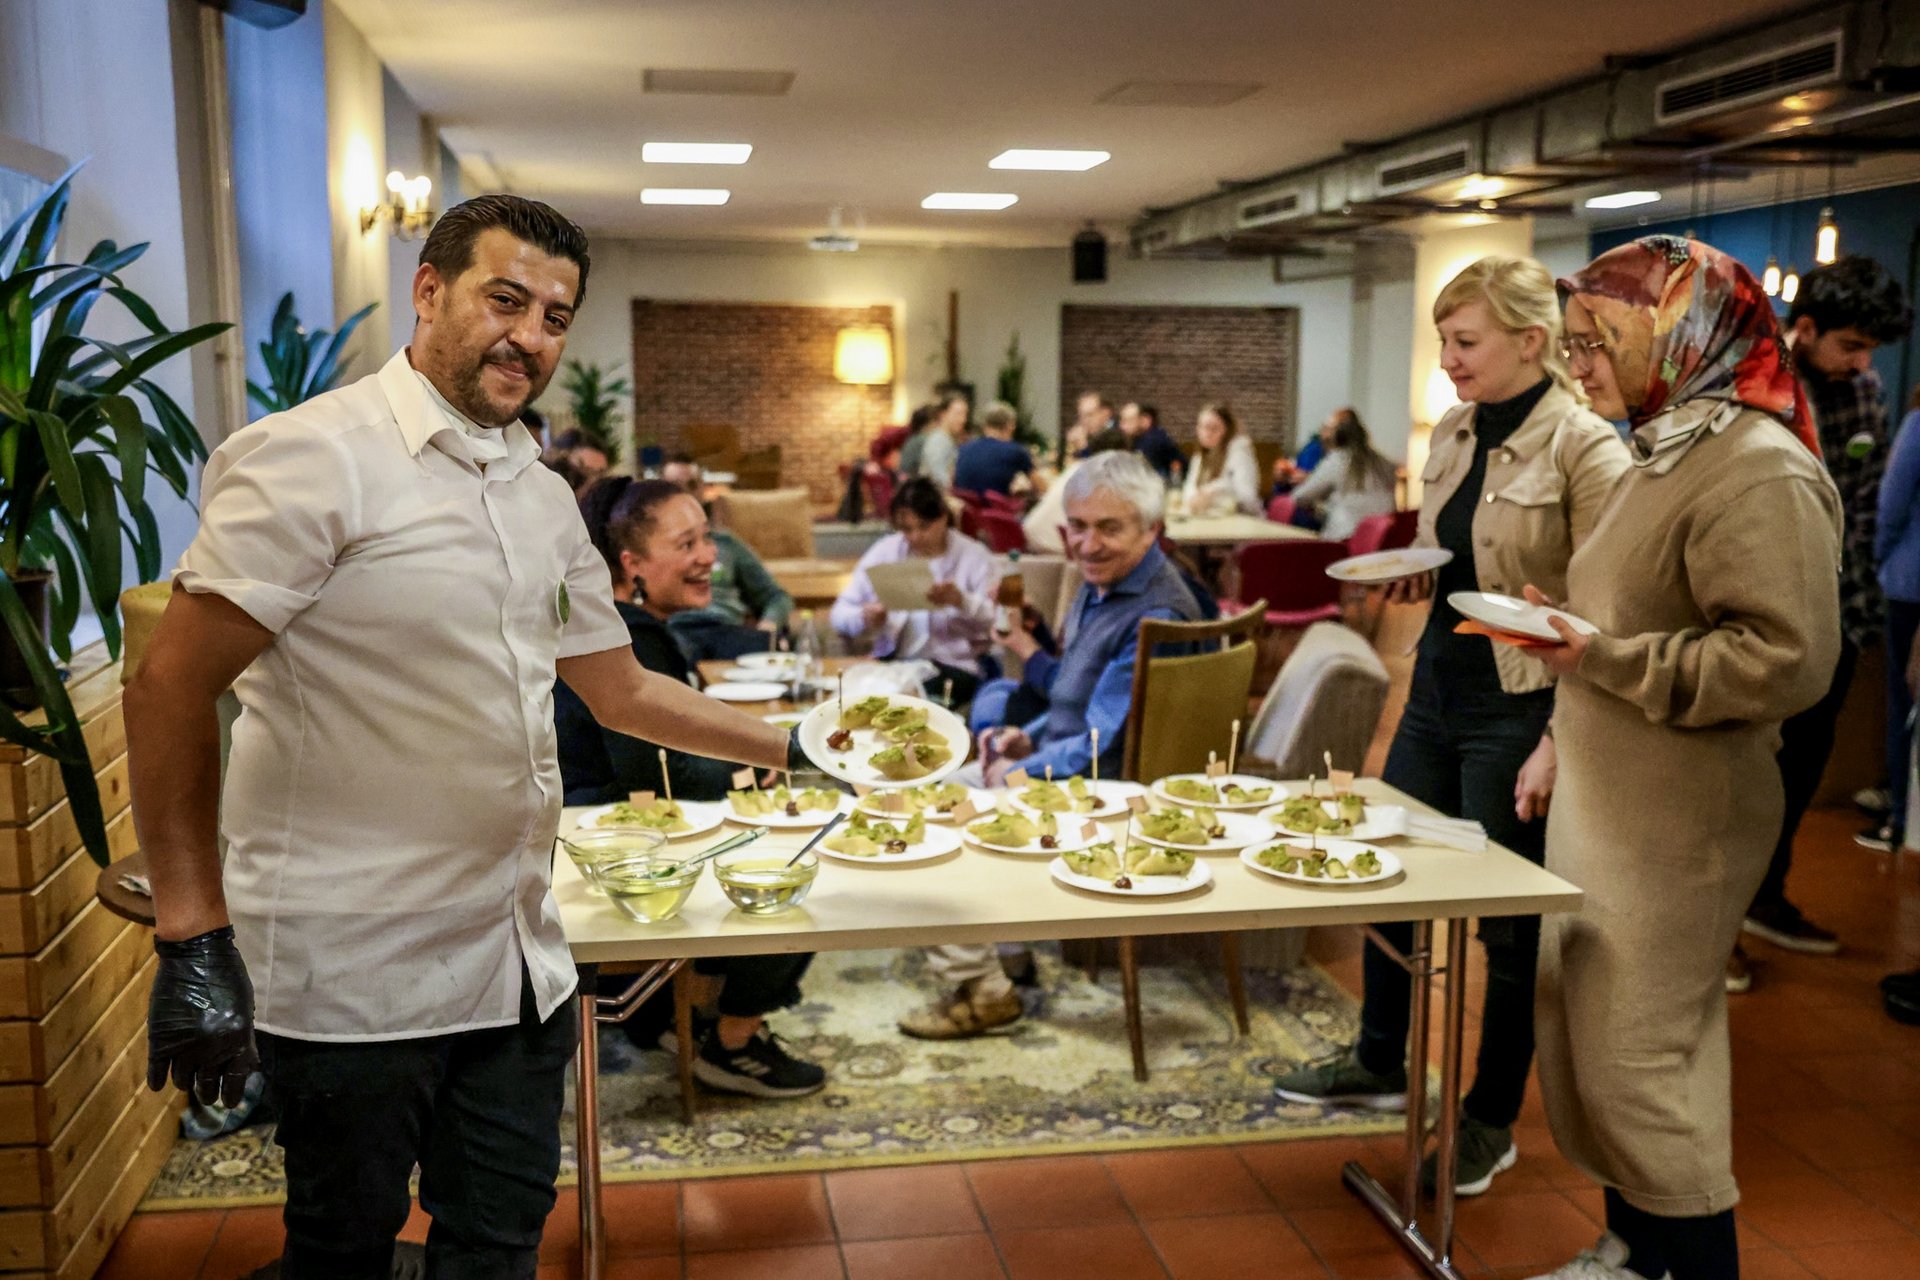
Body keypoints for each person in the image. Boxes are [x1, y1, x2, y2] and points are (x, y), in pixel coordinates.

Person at [126, 195, 805, 1278]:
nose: (531, 335)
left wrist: (803, 746)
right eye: (506, 298)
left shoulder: (539, 493)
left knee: (496, 1242)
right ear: (429, 291)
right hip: (354, 962)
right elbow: (169, 686)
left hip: (516, 958)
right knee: (340, 1248)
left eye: (555, 315)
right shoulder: (313, 457)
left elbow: (619, 687)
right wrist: (192, 935)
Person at [1272, 256, 1629, 1198]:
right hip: (1437, 687)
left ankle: (1489, 1121)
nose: (1448, 362)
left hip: (1520, 705)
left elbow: (1606, 609)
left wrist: (1561, 733)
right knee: (1386, 873)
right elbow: (1463, 553)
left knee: (1506, 929)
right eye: (1444, 342)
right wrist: (1419, 573)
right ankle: (1379, 1057)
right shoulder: (1460, 430)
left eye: (1463, 343)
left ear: (1531, 342)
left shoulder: (1588, 450)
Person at [1528, 236, 1840, 1280]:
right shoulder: (1665, 440)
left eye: (1598, 343)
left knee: (1642, 1067)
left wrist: (1600, 653)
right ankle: (1634, 1250)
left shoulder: (1759, 469)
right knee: (1592, 1047)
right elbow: (1638, 612)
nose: (1581, 368)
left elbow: (1786, 660)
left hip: (1680, 823)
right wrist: (1568, 653)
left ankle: (1690, 1262)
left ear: (1682, 332)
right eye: (1572, 346)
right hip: (1613, 800)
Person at [899, 452, 1202, 1040]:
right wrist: (1027, 736)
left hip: (1105, 793)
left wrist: (1018, 773)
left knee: (931, 826)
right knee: (925, 794)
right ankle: (1005, 956)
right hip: (1068, 767)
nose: (1087, 545)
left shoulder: (1155, 612)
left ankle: (985, 991)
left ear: (1151, 530)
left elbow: (1101, 746)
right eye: (1079, 527)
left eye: (1109, 528)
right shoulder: (1104, 583)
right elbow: (1075, 700)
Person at [556, 477, 823, 1096]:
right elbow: (660, 770)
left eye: (708, 537)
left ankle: (680, 1018)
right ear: (632, 565)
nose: (711, 556)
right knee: (793, 857)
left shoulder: (624, 624)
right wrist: (775, 762)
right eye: (689, 542)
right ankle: (730, 1040)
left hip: (613, 822)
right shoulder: (628, 636)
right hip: (598, 840)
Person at [1728, 256, 1912, 986]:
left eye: (1870, 350)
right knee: (1743, 777)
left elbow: (1866, 504)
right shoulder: (1750, 387)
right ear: (1804, 329)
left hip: (1834, 621)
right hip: (1760, 617)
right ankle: (1718, 927)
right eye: (1850, 346)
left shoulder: (1863, 391)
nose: (1863, 363)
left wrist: (1859, 617)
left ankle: (1765, 898)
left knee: (1796, 776)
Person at [829, 477, 999, 706]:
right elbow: (839, 613)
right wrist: (864, 617)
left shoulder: (974, 557)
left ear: (943, 517)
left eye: (924, 527)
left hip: (953, 666)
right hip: (894, 662)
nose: (915, 537)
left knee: (901, 699)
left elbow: (1000, 620)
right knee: (847, 693)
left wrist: (962, 601)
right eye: (907, 529)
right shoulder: (887, 552)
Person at [652, 455, 794, 661]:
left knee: (773, 651)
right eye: (674, 486)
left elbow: (776, 596)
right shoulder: (653, 546)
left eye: (691, 485)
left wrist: (768, 626)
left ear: (702, 489)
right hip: (675, 630)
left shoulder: (726, 543)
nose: (684, 493)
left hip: (725, 628)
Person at [1877, 388, 1920, 1025]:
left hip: (1909, 585)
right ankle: (1896, 813)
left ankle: (1896, 815)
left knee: (1902, 713)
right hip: (1910, 587)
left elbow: (1890, 506)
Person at [1286, 409, 1400, 541]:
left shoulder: (1338, 460)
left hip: (1346, 539)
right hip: (1384, 540)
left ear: (1337, 439)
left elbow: (1299, 497)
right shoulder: (1385, 463)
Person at [1180, 402, 1261, 516]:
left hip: (1242, 522)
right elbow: (1188, 492)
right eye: (1203, 427)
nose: (1207, 433)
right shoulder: (1199, 457)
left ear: (1226, 430)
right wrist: (1195, 498)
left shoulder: (1239, 452)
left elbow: (1247, 497)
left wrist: (1214, 491)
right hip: (1209, 520)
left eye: (1214, 428)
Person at [953, 401, 1042, 498]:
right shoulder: (1015, 452)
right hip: (998, 510)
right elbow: (1042, 487)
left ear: (984, 426)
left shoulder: (963, 450)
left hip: (968, 509)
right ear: (1010, 426)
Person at [1271, 409, 1345, 494]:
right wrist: (1284, 478)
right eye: (1324, 428)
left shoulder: (1346, 459)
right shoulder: (1312, 448)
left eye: (1330, 429)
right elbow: (1293, 480)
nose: (1324, 434)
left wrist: (1310, 480)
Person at [916, 390, 969, 488]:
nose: (963, 420)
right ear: (943, 414)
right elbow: (941, 481)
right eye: (958, 414)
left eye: (965, 414)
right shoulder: (937, 442)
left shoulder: (949, 440)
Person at [1120, 400, 1183, 481]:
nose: (1122, 426)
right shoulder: (1139, 439)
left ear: (1145, 420)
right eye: (1121, 420)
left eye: (1128, 420)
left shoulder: (1153, 440)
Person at [896, 402, 937, 480]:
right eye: (936, 421)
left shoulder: (912, 439)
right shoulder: (923, 441)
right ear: (928, 424)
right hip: (914, 486)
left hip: (905, 484)